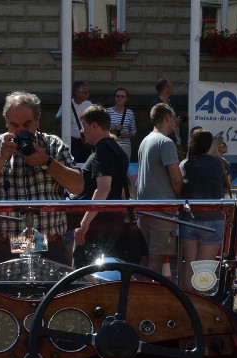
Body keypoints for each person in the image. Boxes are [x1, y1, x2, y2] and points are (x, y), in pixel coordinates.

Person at [0, 90, 83, 267]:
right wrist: (1, 157)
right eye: (14, 125)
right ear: (5, 120)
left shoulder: (53, 146)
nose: (21, 131)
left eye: (27, 124)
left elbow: (77, 186)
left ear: (38, 119)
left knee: (52, 295)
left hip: (49, 248)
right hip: (3, 249)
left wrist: (47, 162)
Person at [72, 105, 132, 267]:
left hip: (97, 226)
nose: (82, 131)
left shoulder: (102, 150)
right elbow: (120, 189)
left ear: (94, 126)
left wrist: (84, 224)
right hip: (112, 223)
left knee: (83, 274)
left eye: (83, 126)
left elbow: (103, 188)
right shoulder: (118, 149)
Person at [135, 103, 182, 273]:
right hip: (162, 212)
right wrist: (180, 196)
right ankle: (149, 299)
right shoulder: (166, 142)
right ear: (167, 117)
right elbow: (176, 178)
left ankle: (140, 295)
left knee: (145, 261)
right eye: (174, 118)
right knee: (156, 264)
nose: (175, 123)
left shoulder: (144, 141)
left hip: (144, 210)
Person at [179, 130, 227, 291]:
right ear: (209, 145)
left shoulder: (185, 164)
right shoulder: (217, 163)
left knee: (189, 263)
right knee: (204, 268)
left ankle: (186, 303)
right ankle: (199, 307)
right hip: (212, 218)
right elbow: (223, 188)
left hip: (188, 218)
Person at [55, 81, 93, 164]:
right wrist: (66, 114)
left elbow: (94, 122)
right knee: (72, 164)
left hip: (85, 141)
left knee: (85, 165)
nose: (88, 94)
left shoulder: (89, 104)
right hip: (73, 141)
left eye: (88, 92)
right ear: (77, 93)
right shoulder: (68, 104)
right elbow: (57, 120)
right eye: (85, 92)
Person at [106, 87, 137, 160]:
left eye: (122, 96)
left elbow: (134, 130)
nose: (120, 98)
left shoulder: (130, 113)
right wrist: (114, 128)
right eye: (118, 96)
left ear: (126, 99)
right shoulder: (108, 111)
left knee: (124, 168)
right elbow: (103, 128)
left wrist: (127, 135)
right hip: (111, 144)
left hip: (125, 146)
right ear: (115, 98)